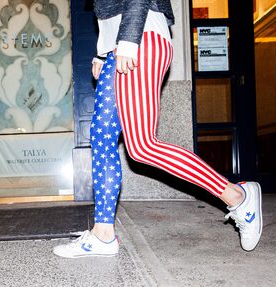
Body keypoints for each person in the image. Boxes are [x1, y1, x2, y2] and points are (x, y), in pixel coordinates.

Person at [53, 0, 262, 258]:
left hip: (141, 37)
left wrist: (130, 40)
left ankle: (237, 196)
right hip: (119, 44)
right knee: (102, 136)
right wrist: (103, 50)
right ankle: (103, 235)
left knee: (141, 146)